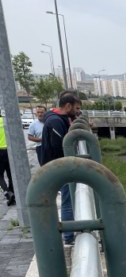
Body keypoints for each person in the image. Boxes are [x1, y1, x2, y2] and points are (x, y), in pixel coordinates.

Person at [42, 92, 82, 244]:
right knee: (68, 200)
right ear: (68, 106)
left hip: (59, 166)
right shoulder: (56, 122)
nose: (78, 112)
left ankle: (68, 233)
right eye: (76, 108)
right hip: (60, 167)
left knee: (68, 198)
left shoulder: (58, 119)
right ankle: (69, 237)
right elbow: (60, 147)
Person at [0, 113, 14, 206]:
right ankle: (13, 194)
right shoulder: (7, 121)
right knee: (11, 175)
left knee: (0, 175)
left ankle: (7, 192)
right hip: (10, 150)